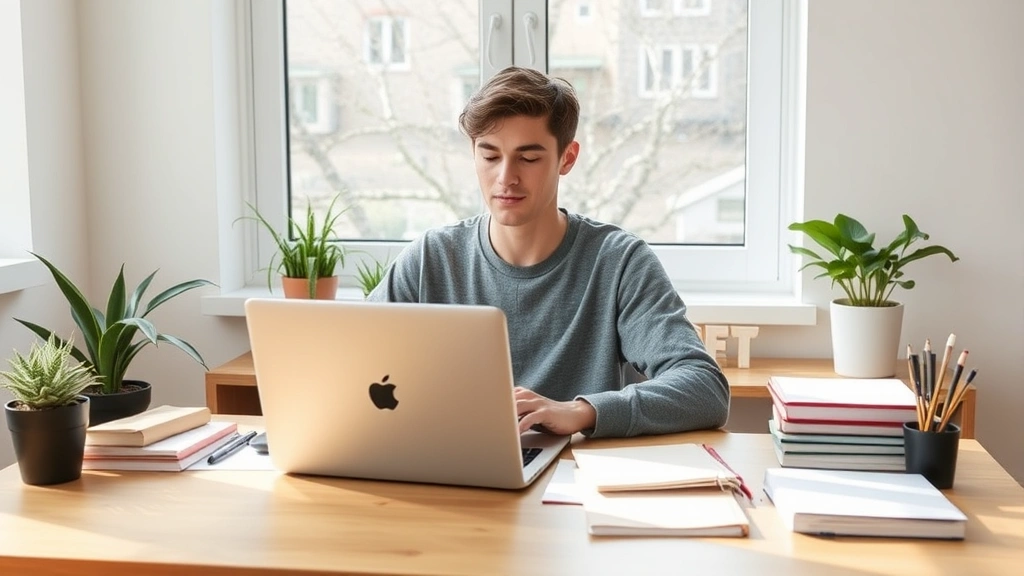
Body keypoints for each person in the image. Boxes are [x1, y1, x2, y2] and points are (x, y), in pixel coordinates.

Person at [367, 66, 729, 438]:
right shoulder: (432, 259)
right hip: (451, 468)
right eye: (490, 156)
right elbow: (351, 366)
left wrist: (582, 411)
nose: (506, 176)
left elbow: (704, 389)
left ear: (567, 158)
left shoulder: (618, 262)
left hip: (573, 479)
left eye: (528, 158)